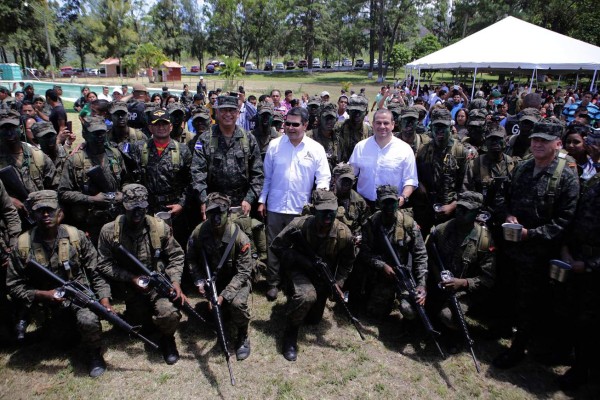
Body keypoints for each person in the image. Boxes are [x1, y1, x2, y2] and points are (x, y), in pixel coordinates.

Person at [493, 121, 579, 369]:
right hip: (512, 246)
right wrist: (507, 215)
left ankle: (518, 348)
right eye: (535, 140)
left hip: (539, 252)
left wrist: (532, 234)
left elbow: (564, 222)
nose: (538, 144)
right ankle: (501, 329)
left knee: (529, 302)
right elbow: (502, 196)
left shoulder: (566, 177)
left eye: (544, 140)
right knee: (507, 289)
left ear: (558, 144)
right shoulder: (523, 167)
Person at [7, 190, 110, 377]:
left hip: (77, 296)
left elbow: (96, 271)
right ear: (32, 214)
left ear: (60, 213)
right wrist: (41, 294)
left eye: (50, 210)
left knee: (89, 320)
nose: (46, 215)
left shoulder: (75, 236)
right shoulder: (23, 245)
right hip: (47, 304)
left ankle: (94, 354)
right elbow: (13, 285)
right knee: (62, 341)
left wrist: (104, 299)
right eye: (40, 211)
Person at [97, 184, 185, 365]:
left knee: (169, 315)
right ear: (124, 207)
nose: (137, 212)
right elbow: (103, 264)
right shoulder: (110, 231)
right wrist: (131, 278)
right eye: (132, 208)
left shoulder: (159, 227)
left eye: (142, 208)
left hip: (156, 287)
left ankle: (168, 340)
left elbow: (176, 255)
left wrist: (175, 282)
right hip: (129, 289)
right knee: (138, 326)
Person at [270, 189, 355, 361]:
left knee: (314, 320)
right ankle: (290, 336)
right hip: (298, 271)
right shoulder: (299, 225)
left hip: (322, 277)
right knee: (307, 297)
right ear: (315, 210)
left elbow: (347, 262)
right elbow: (276, 246)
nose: (327, 217)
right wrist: (300, 260)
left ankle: (297, 303)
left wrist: (338, 282)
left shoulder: (343, 233)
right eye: (323, 212)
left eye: (331, 212)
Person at [258, 106, 331, 301]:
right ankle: (273, 282)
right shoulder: (274, 146)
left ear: (305, 125)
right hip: (275, 205)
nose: (290, 128)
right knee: (274, 245)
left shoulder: (316, 149)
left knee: (298, 249)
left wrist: (318, 201)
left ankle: (294, 284)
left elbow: (323, 178)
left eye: (295, 124)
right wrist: (262, 200)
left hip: (301, 209)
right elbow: (266, 177)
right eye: (287, 124)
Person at [187, 192, 253, 361]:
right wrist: (200, 281)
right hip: (213, 282)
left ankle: (243, 334)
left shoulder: (238, 237)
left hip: (236, 281)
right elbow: (191, 259)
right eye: (212, 213)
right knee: (213, 317)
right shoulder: (198, 233)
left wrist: (224, 296)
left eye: (221, 213)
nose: (216, 218)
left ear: (228, 213)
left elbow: (244, 272)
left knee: (237, 305)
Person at [557, 131, 600, 390]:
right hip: (574, 255)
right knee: (570, 312)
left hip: (592, 265)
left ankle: (584, 370)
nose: (592, 149)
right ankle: (567, 356)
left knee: (589, 322)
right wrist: (565, 248)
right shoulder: (594, 178)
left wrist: (592, 264)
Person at [426, 191, 496, 349]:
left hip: (462, 293)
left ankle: (454, 334)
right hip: (437, 285)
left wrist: (463, 283)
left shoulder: (484, 240)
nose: (460, 213)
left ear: (477, 213)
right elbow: (428, 257)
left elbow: (488, 278)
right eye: (459, 208)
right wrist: (437, 277)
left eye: (466, 210)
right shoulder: (442, 230)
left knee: (449, 317)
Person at [359, 185, 428, 319]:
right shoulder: (371, 224)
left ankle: (407, 327)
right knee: (375, 313)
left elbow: (421, 255)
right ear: (379, 203)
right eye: (385, 202)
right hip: (382, 276)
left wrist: (421, 285)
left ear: (398, 202)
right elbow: (364, 253)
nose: (389, 206)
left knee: (410, 310)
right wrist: (382, 265)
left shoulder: (409, 224)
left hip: (405, 275)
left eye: (393, 202)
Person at [191, 95, 263, 221]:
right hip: (213, 204)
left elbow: (257, 174)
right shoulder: (205, 139)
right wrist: (203, 200)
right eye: (223, 110)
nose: (228, 114)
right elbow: (197, 173)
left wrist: (249, 199)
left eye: (232, 110)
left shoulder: (248, 139)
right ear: (216, 113)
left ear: (238, 113)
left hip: (241, 206)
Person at [58, 116, 127, 244]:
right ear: (85, 134)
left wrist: (122, 194)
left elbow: (126, 181)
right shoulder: (75, 160)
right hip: (88, 223)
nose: (99, 137)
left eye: (102, 133)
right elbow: (63, 193)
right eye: (94, 133)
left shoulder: (115, 155)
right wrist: (92, 199)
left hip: (115, 220)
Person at [132, 109, 193, 247]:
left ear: (171, 126)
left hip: (174, 212)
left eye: (164, 124)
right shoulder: (139, 148)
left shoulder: (183, 150)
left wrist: (181, 204)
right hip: (147, 210)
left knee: (175, 248)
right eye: (157, 124)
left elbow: (191, 181)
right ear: (150, 127)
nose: (161, 128)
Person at [413, 108, 469, 234]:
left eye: (443, 126)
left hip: (451, 209)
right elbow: (416, 177)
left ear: (450, 127)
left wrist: (453, 205)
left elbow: (466, 187)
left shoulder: (460, 152)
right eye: (436, 126)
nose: (439, 131)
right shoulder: (423, 151)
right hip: (427, 208)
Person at [349, 109, 417, 208]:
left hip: (391, 206)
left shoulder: (405, 149)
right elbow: (352, 173)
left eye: (386, 123)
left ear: (393, 124)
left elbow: (410, 180)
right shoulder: (361, 147)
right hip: (364, 205)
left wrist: (403, 198)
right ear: (372, 124)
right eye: (378, 123)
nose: (382, 126)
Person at [0, 110, 56, 226]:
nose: (9, 133)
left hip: (40, 219)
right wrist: (8, 200)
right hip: (8, 222)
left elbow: (56, 187)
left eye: (12, 128)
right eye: (4, 129)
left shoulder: (38, 156)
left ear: (20, 128)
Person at [336, 96, 373, 162]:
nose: (357, 115)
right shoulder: (338, 128)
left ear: (366, 113)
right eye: (353, 111)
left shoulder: (370, 132)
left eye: (360, 111)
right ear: (347, 111)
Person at [308, 102, 341, 171]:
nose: (329, 121)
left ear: (336, 119)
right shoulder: (309, 136)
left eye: (332, 118)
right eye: (326, 118)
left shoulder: (339, 139)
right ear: (319, 118)